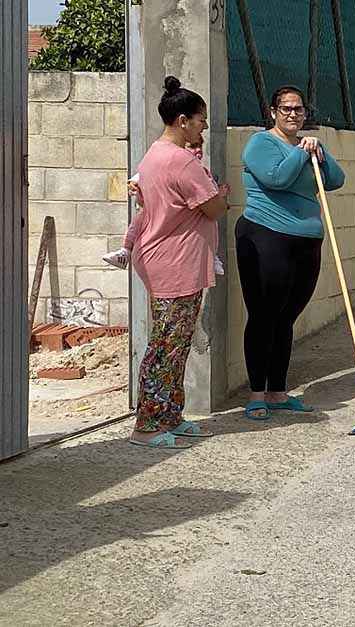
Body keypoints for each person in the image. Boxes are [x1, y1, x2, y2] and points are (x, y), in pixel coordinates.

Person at [127, 76, 230, 449]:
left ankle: (170, 415)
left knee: (177, 344)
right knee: (165, 347)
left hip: (167, 259)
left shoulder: (156, 155)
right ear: (183, 120)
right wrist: (221, 196)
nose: (204, 127)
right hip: (173, 263)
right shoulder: (180, 162)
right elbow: (214, 208)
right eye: (201, 121)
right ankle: (147, 425)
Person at [236, 86, 345, 420]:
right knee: (264, 314)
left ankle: (278, 391)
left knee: (287, 316)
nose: (293, 115)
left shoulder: (309, 147)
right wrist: (302, 152)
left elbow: (336, 180)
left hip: (306, 241)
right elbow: (277, 177)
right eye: (286, 109)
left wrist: (320, 151)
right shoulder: (261, 143)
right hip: (266, 237)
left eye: (299, 110)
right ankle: (256, 393)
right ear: (272, 112)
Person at [103, 139, 225, 276]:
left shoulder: (201, 170)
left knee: (210, 226)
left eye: (200, 147)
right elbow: (143, 175)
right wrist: (134, 183)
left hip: (188, 222)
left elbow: (209, 194)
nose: (198, 151)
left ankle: (211, 256)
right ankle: (125, 250)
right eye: (193, 147)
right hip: (162, 215)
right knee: (138, 222)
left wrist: (219, 193)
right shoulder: (168, 163)